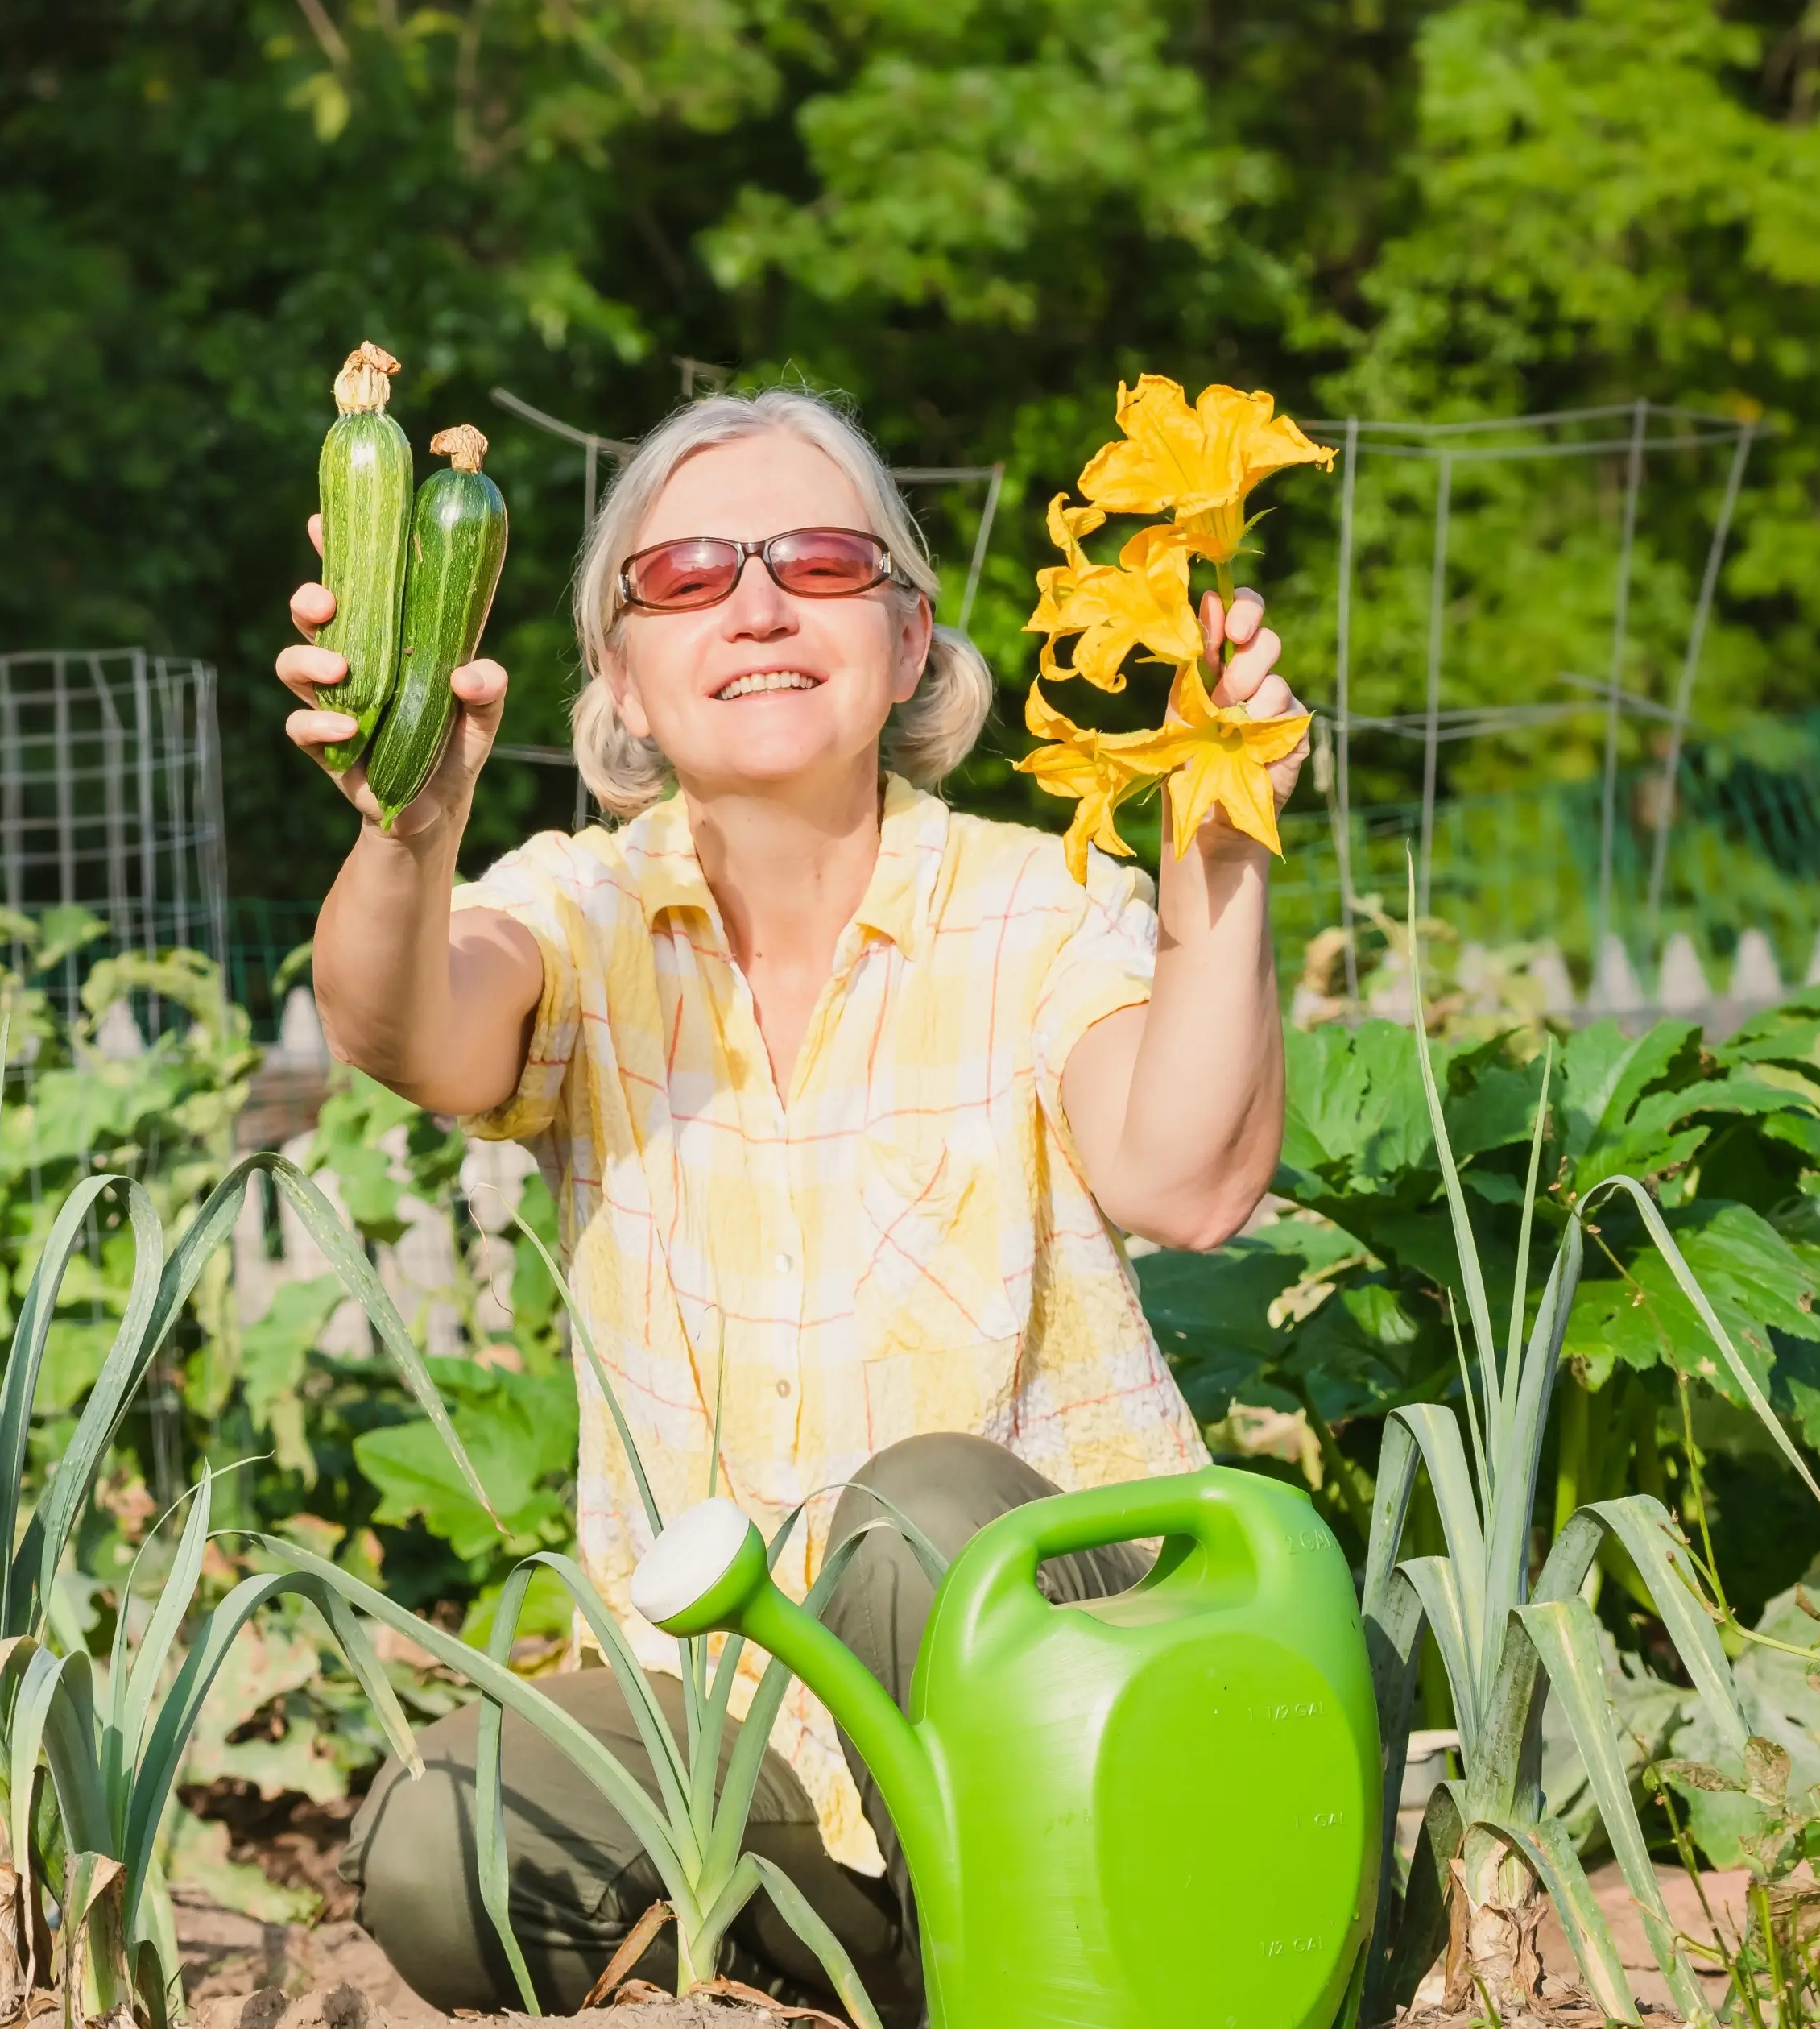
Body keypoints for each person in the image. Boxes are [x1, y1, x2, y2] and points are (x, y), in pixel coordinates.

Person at [272, 387, 1307, 2017]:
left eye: (817, 560)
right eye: (683, 577)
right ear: (617, 673)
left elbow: (1184, 1178)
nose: (754, 603)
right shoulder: (581, 909)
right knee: (440, 1841)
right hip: (752, 1746)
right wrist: (412, 816)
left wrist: (1218, 838)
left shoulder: (1037, 909)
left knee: (912, 1528)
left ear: (905, 641)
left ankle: (1122, 1956)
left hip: (1073, 1710)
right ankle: (892, 1977)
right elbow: (403, 1027)